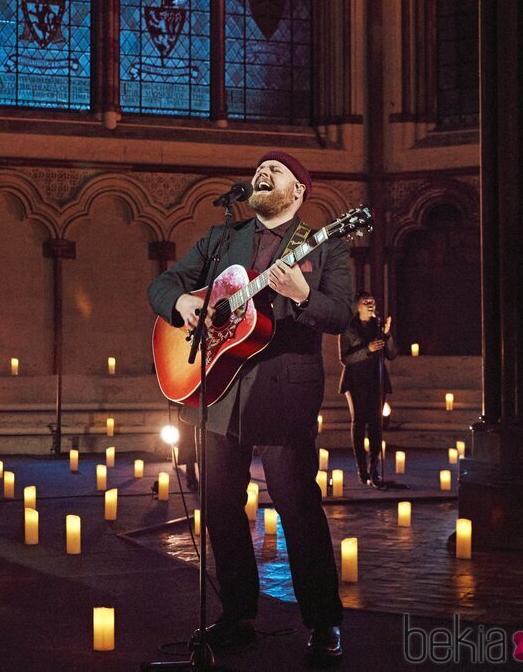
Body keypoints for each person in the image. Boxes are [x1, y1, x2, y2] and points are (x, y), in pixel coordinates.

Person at [148, 152, 352, 666]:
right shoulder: (222, 239)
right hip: (216, 392)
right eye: (260, 168)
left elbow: (342, 314)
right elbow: (163, 284)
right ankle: (237, 615)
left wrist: (304, 294)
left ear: (299, 191)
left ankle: (323, 621)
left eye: (277, 170)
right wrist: (184, 305)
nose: (264, 173)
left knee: (296, 507)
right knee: (220, 507)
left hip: (284, 390)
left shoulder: (327, 245)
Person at [338, 292, 397, 487]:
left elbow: (391, 355)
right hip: (355, 381)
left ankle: (374, 471)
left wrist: (387, 335)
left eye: (373, 301)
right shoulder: (348, 328)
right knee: (359, 421)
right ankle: (362, 471)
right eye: (366, 302)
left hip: (376, 381)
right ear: (358, 306)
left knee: (376, 423)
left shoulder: (378, 326)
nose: (371, 305)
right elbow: (345, 358)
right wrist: (367, 350)